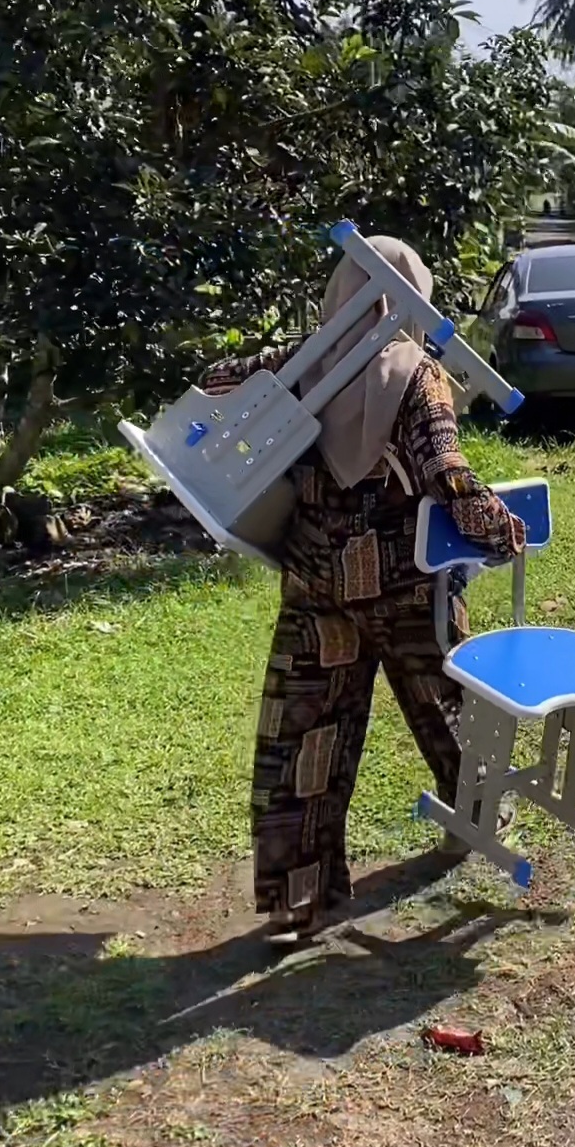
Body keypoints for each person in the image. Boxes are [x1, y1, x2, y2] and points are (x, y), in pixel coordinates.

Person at [202, 236, 525, 944]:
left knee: (304, 737)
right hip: (410, 588)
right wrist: (505, 531)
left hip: (316, 583)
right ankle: (476, 817)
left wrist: (280, 375)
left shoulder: (300, 363)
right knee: (448, 705)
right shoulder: (416, 375)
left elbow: (216, 384)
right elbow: (449, 478)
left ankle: (297, 900)